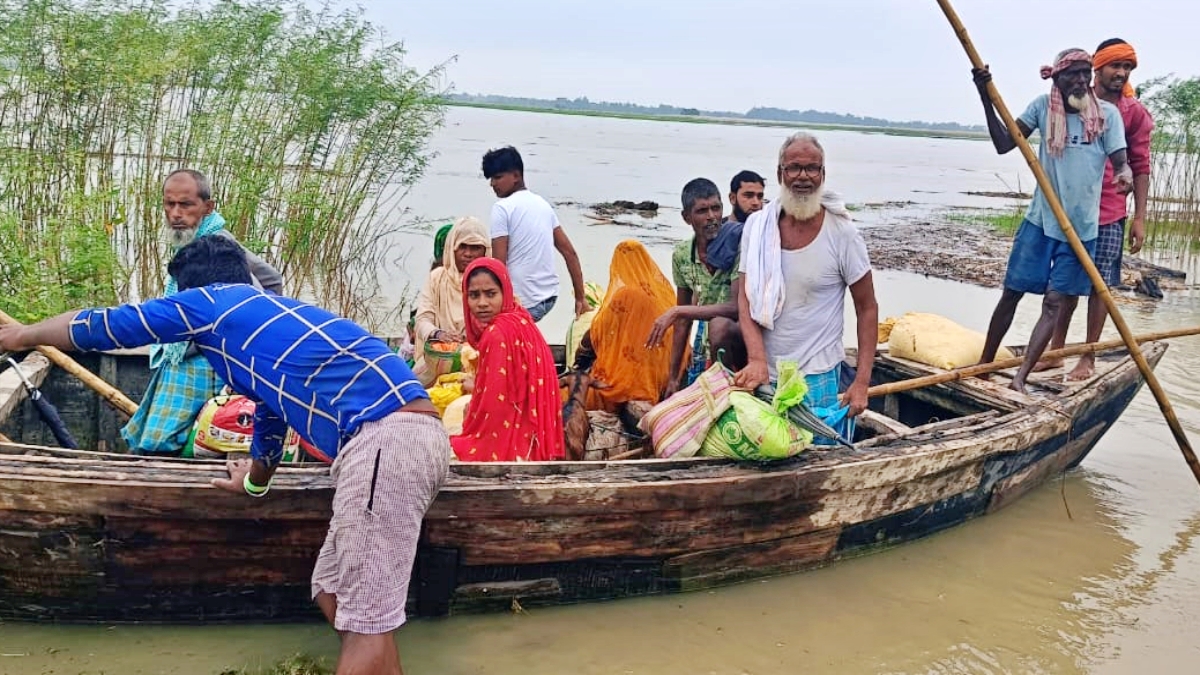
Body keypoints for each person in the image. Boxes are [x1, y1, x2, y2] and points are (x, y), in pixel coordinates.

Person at [0, 236, 448, 674]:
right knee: (331, 591)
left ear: (190, 290)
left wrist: (22, 334)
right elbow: (272, 418)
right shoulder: (265, 322)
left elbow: (106, 325)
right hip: (399, 444)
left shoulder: (212, 302)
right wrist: (254, 481)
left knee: (364, 623)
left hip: (387, 441)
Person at [971, 49, 1133, 393]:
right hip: (1040, 222)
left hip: (1080, 230)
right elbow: (1004, 144)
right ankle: (985, 365)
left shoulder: (1106, 116)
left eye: (1084, 74)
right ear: (1056, 79)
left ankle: (1020, 376)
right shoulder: (1042, 108)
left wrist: (1124, 173)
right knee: (1011, 293)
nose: (1079, 81)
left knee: (1055, 301)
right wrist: (986, 97)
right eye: (1071, 74)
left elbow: (1121, 160)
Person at [122, 169, 284, 456]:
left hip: (204, 355)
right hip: (197, 347)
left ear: (207, 207)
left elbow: (254, 296)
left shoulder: (212, 246)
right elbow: (272, 278)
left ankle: (160, 473)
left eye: (185, 205)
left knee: (155, 442)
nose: (175, 213)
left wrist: (216, 342)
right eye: (169, 204)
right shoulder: (213, 236)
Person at [734, 132, 877, 442]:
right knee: (768, 464)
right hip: (766, 375)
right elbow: (745, 299)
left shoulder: (843, 233)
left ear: (823, 175)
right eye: (794, 168)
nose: (803, 177)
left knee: (818, 462)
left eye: (812, 169)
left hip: (818, 375)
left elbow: (867, 308)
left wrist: (862, 381)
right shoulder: (758, 228)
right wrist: (756, 359)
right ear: (780, 174)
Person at [1040, 38, 1153, 381]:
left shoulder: (1133, 113)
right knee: (1063, 284)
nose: (1121, 73)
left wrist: (1139, 218)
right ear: (1097, 69)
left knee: (1100, 284)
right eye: (1115, 66)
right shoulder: (1073, 100)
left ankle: (1087, 356)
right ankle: (1056, 350)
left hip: (1107, 212)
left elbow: (1141, 165)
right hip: (1068, 209)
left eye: (1127, 68)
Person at [450, 258, 565, 462]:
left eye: (491, 294)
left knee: (455, 439)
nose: (482, 303)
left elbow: (493, 405)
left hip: (513, 439)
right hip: (536, 434)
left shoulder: (495, 334)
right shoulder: (520, 317)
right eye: (474, 295)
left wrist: (470, 417)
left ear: (505, 293)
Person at [646, 178, 742, 398]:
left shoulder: (739, 245)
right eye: (702, 211)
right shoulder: (682, 255)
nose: (711, 217)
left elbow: (735, 308)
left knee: (719, 325)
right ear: (687, 217)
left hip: (741, 341)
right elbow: (683, 322)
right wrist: (673, 378)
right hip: (707, 345)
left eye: (716, 209)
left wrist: (678, 310)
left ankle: (730, 387)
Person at [481, 146, 587, 322]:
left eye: (498, 177)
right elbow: (570, 253)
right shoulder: (543, 205)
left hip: (523, 302)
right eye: (491, 179)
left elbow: (498, 265)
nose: (493, 184)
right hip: (549, 297)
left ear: (516, 176)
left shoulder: (502, 209)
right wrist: (580, 298)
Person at [579, 240, 677, 412]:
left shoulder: (625, 295)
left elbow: (598, 330)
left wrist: (581, 350)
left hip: (626, 382)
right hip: (658, 377)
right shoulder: (663, 294)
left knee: (566, 393)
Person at [412, 216, 490, 385]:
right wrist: (439, 334)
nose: (468, 253)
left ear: (485, 250)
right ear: (451, 248)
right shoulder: (437, 278)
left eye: (475, 247)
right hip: (439, 357)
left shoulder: (492, 281)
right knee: (408, 388)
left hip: (478, 357)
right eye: (462, 246)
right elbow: (422, 319)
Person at [707, 170, 766, 273]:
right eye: (748, 195)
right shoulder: (714, 231)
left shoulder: (765, 232)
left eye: (760, 196)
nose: (756, 202)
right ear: (732, 198)